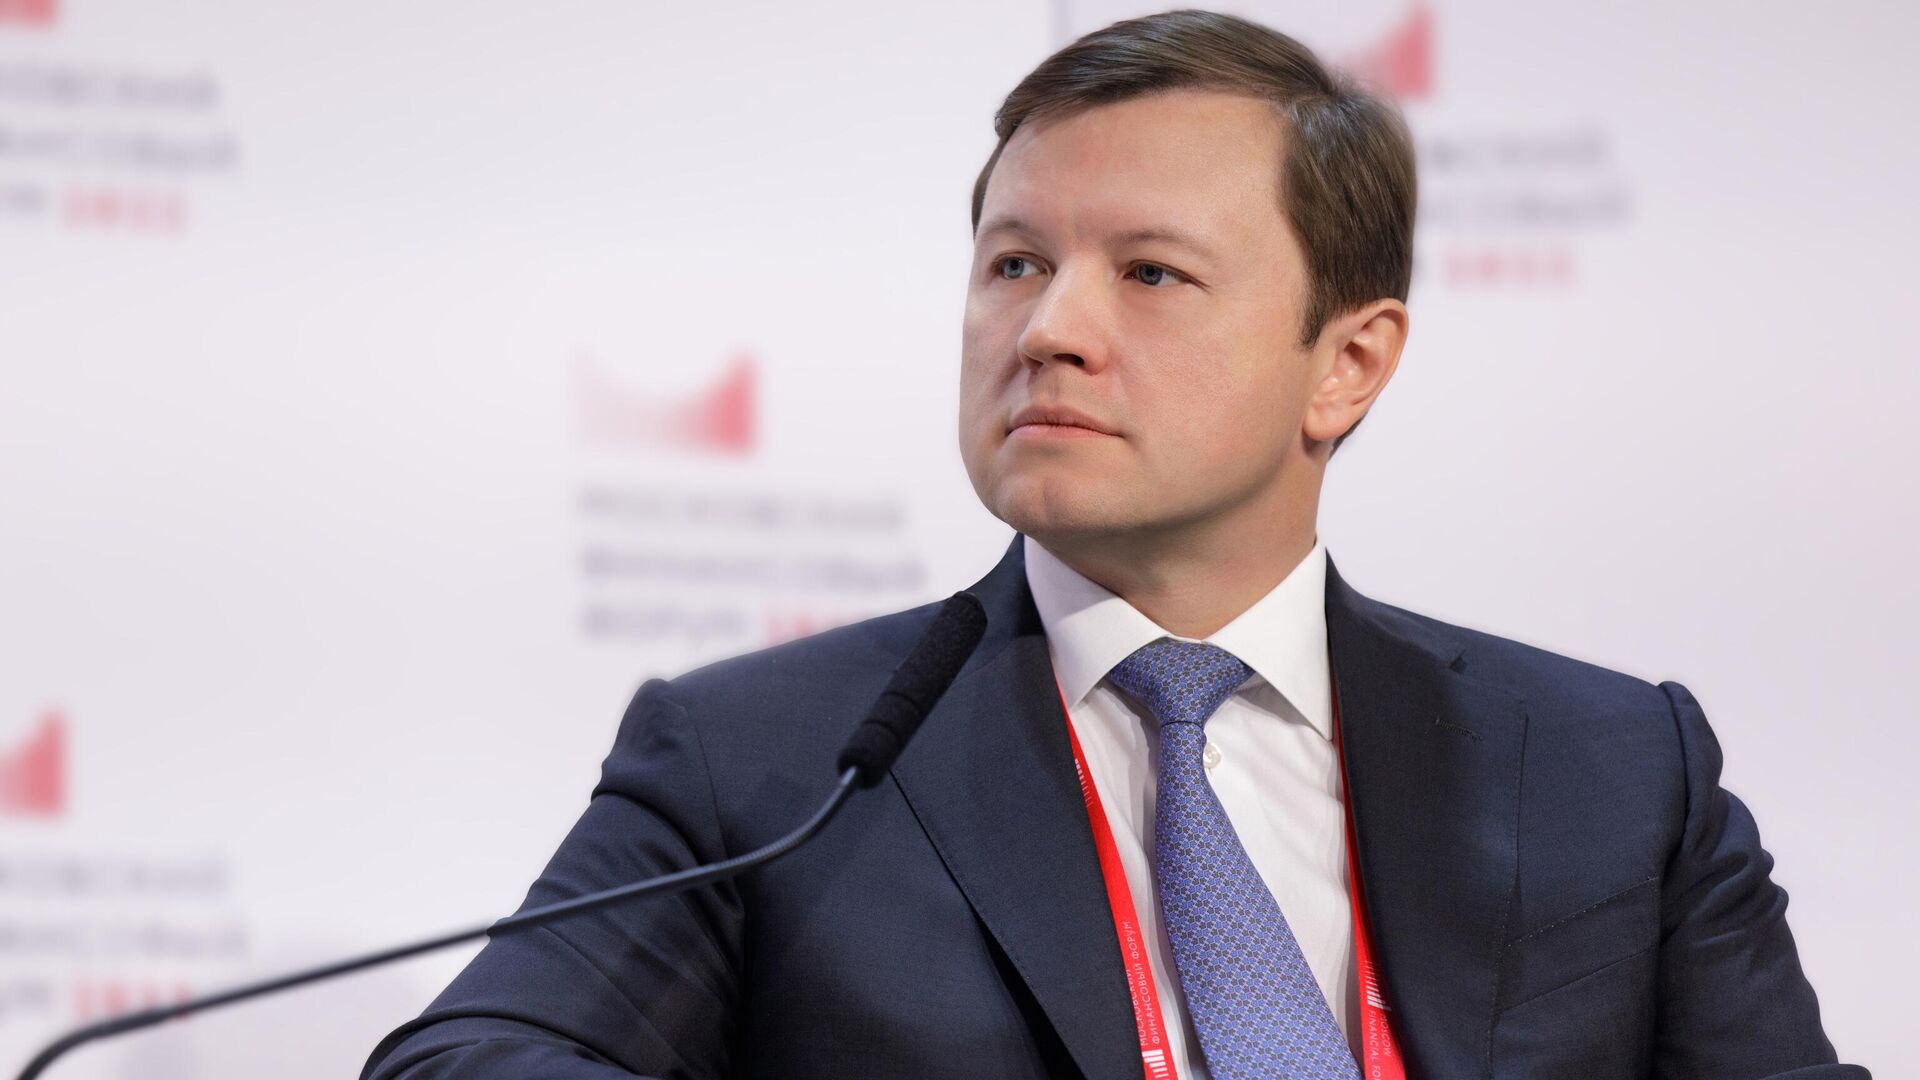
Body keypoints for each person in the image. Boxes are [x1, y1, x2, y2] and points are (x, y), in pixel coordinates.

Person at [363, 10, 1865, 1079]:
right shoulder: (768, 764)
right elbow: (469, 1060)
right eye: (1016, 263)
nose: (1050, 329)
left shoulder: (1613, 768)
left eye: (1149, 274)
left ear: (1346, 365)